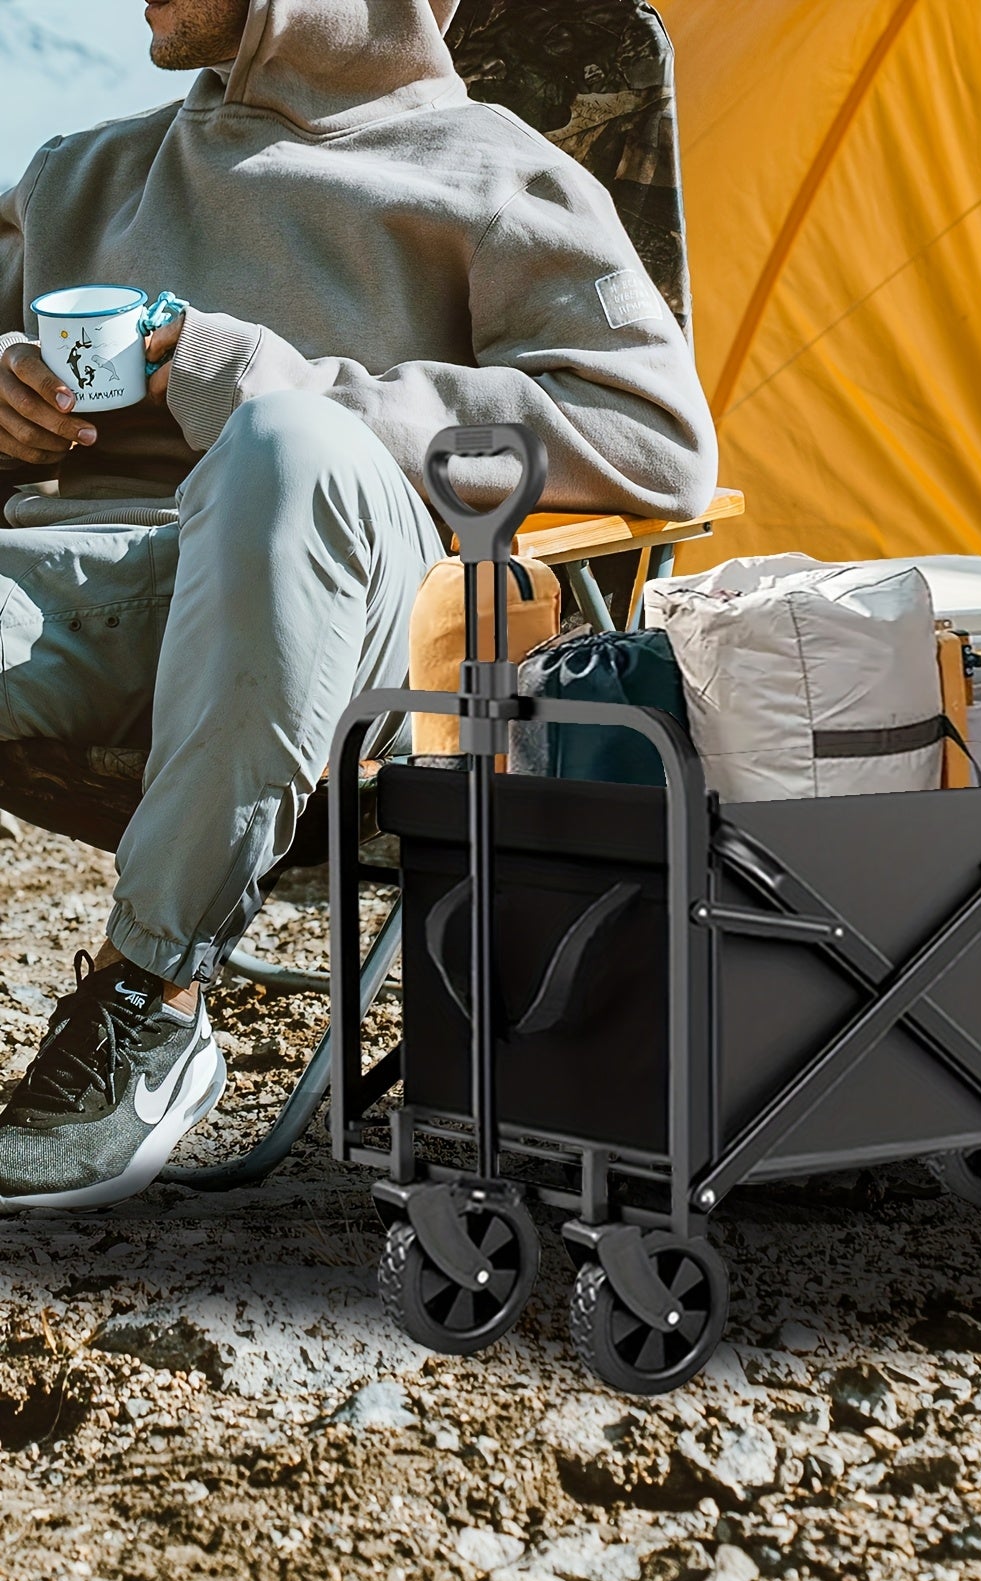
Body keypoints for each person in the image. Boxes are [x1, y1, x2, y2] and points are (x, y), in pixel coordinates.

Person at [0, 0, 718, 1209]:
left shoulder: (502, 178)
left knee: (290, 445)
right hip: (84, 592)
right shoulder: (85, 176)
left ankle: (148, 998)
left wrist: (273, 378)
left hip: (345, 635)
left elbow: (654, 440)